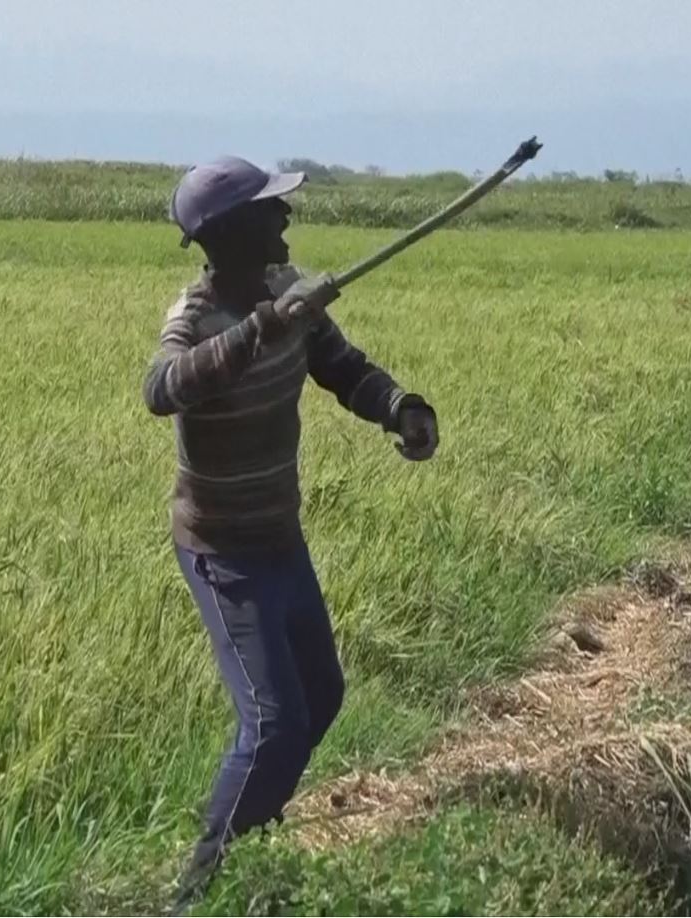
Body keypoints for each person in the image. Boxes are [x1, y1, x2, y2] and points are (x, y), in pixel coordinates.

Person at [142, 155, 439, 912]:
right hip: (223, 550)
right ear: (233, 234)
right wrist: (261, 328)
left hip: (279, 534)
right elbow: (161, 389)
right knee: (274, 723)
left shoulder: (288, 294)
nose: (286, 221)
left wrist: (400, 407)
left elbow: (342, 367)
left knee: (321, 695)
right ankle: (196, 891)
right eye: (272, 213)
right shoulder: (198, 315)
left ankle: (251, 835)